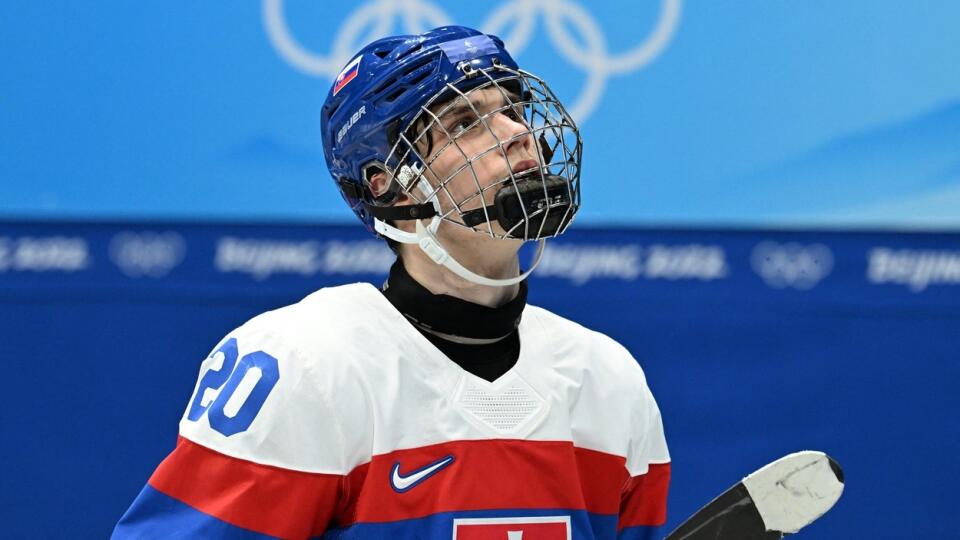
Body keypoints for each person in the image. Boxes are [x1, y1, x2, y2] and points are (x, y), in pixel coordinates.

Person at [112, 25, 670, 540]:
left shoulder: (608, 381)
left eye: (514, 110)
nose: (518, 135)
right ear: (391, 187)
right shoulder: (308, 366)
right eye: (466, 122)